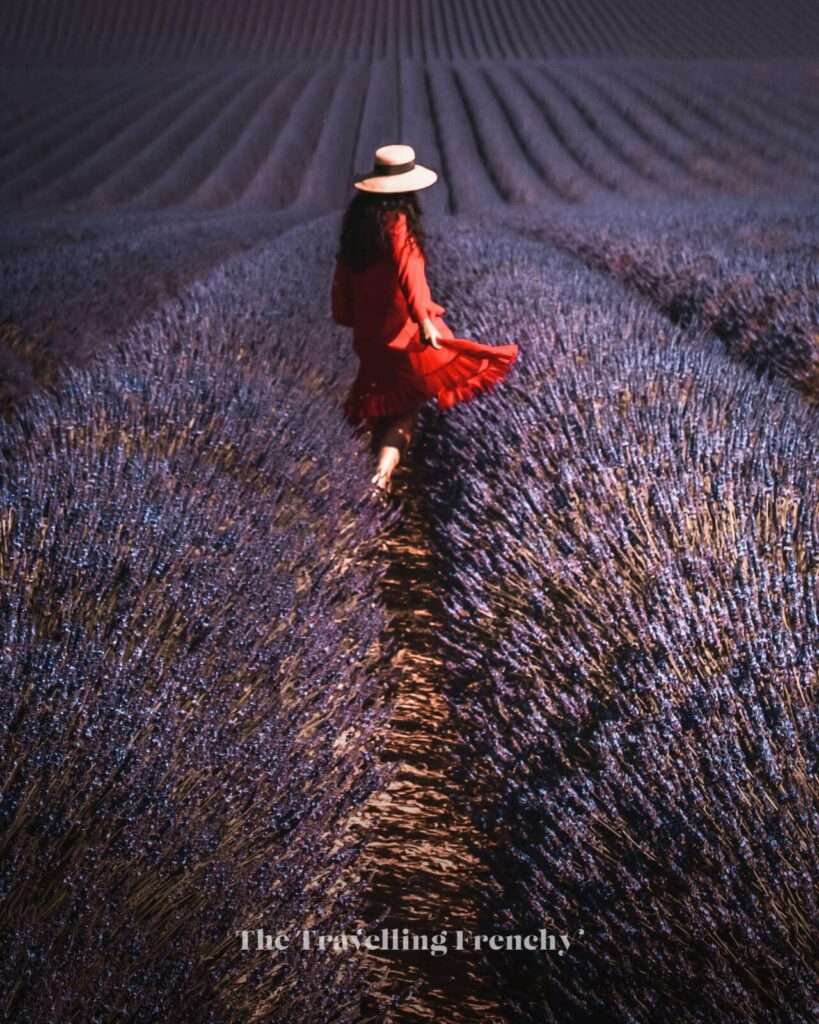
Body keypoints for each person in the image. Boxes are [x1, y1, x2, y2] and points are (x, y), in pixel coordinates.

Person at [331, 143, 519, 496]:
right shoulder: (398, 224)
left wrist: (345, 314)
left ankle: (358, 476)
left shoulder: (356, 228)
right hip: (404, 334)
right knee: (405, 411)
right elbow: (411, 275)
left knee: (378, 406)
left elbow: (342, 279)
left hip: (370, 337)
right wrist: (425, 321)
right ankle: (380, 477)